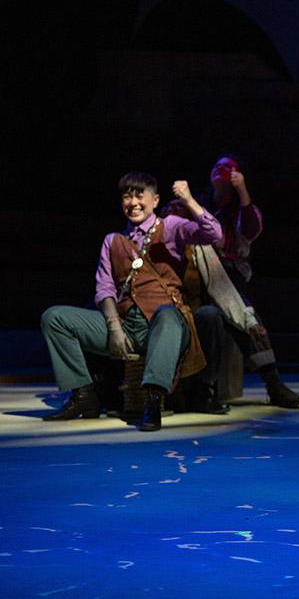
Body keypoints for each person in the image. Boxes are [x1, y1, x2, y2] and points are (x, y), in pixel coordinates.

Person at [40, 172, 222, 431]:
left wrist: (189, 200)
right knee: (55, 317)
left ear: (155, 200)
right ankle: (84, 395)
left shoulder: (170, 227)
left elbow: (214, 234)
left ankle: (153, 399)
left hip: (164, 326)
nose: (133, 202)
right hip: (125, 325)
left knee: (169, 315)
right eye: (128, 196)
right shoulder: (113, 240)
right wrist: (114, 327)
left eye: (140, 196)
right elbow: (104, 288)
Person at [193, 154, 299, 408]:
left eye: (228, 167)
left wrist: (242, 190)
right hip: (199, 270)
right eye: (217, 165)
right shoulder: (200, 203)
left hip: (229, 272)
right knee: (227, 315)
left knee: (243, 317)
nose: (221, 169)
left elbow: (251, 228)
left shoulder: (241, 208)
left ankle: (272, 382)